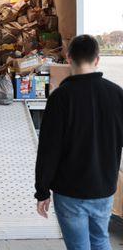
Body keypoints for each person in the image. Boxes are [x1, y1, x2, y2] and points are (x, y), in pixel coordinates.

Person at [35, 34, 123, 250]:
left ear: (68, 58)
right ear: (97, 59)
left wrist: (42, 190)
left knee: (79, 247)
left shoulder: (60, 98)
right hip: (104, 188)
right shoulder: (117, 95)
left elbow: (48, 149)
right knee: (101, 239)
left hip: (69, 192)